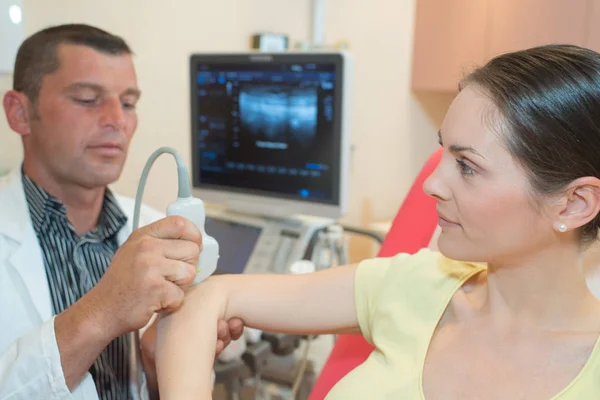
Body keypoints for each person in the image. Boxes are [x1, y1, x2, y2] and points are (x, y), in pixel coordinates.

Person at [154, 44, 600, 399]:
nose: (432, 184)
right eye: (442, 151)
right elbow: (209, 297)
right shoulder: (414, 285)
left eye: (466, 166)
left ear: (574, 204)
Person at [0, 24, 242, 400]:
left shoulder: (155, 228)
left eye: (128, 103)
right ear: (20, 113)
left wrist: (157, 365)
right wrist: (104, 311)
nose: (117, 119)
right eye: (86, 98)